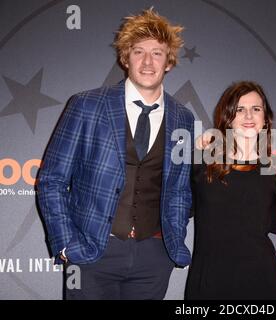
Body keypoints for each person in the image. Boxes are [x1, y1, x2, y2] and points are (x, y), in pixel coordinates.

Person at [37, 8, 194, 300]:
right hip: (92, 252)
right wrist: (65, 243)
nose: (148, 62)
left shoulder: (183, 118)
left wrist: (173, 242)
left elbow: (180, 190)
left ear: (169, 62)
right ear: (125, 58)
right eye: (138, 52)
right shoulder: (87, 105)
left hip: (154, 257)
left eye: (157, 53)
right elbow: (52, 180)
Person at [185, 81, 276, 300]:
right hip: (209, 284)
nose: (249, 116)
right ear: (228, 116)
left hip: (264, 285)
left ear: (265, 119)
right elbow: (179, 209)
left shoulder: (274, 167)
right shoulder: (202, 160)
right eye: (240, 109)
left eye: (256, 109)